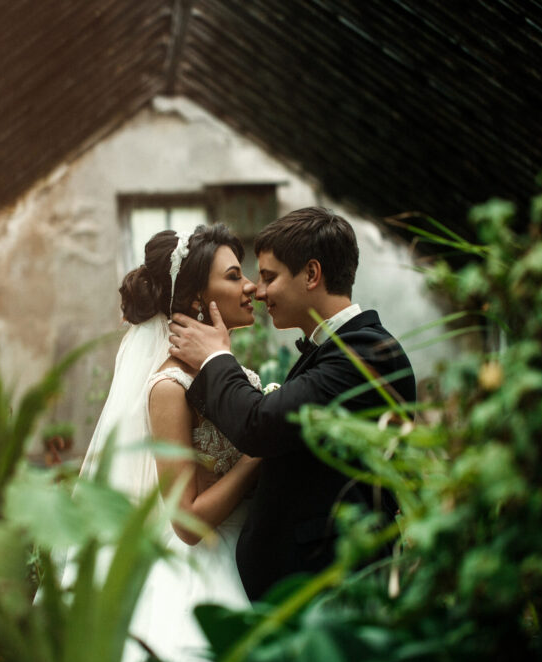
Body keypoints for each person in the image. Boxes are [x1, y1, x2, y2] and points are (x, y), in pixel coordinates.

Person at [168, 206, 417, 601]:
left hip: (335, 587)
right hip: (308, 586)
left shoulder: (366, 352)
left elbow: (260, 426)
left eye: (269, 277)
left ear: (312, 274)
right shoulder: (331, 351)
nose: (259, 291)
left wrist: (216, 359)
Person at [77, 224, 261, 662]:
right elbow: (186, 522)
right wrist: (259, 457)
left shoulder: (228, 374)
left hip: (252, 556)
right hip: (205, 572)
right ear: (199, 298)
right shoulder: (169, 387)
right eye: (235, 276)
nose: (252, 286)